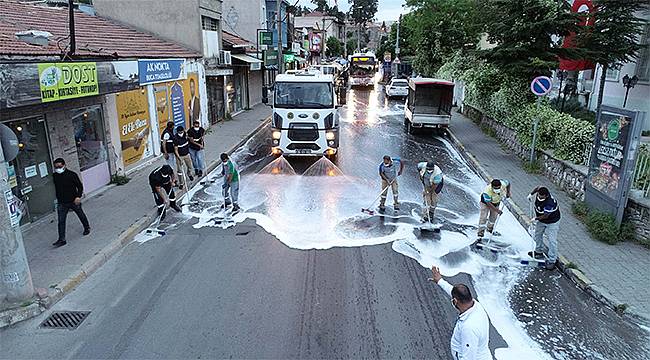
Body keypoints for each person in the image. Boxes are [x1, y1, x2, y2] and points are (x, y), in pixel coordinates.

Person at [429, 266, 492, 360]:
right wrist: (440, 281)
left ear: (455, 301)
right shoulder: (475, 305)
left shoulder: (469, 328)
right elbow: (455, 293)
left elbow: (468, 358)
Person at [52, 158, 90, 248]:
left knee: (80, 214)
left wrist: (78, 196)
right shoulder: (55, 176)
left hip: (73, 200)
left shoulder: (72, 175)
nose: (58, 168)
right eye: (56, 167)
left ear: (64, 165)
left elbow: (79, 186)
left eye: (60, 166)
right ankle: (62, 239)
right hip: (62, 202)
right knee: (61, 221)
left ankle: (87, 227)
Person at [527, 186, 561, 270]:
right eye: (538, 195)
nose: (539, 197)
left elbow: (546, 216)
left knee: (552, 240)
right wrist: (531, 194)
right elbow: (538, 187)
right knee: (537, 235)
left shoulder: (550, 203)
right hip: (542, 220)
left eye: (541, 197)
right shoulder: (540, 191)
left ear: (546, 196)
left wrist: (535, 219)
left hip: (552, 221)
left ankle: (552, 260)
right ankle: (538, 251)